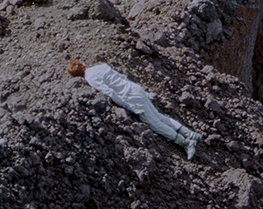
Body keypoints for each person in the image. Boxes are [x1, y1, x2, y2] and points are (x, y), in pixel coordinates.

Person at [68, 60, 202, 160]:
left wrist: (128, 106)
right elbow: (121, 77)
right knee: (159, 116)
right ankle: (191, 134)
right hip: (135, 89)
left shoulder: (90, 78)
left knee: (154, 123)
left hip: (131, 97)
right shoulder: (100, 66)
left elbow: (110, 92)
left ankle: (186, 143)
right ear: (83, 64)